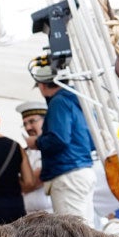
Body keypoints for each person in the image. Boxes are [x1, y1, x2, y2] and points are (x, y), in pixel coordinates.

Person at [29, 69, 96, 222]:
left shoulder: (58, 102)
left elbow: (59, 139)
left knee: (72, 233)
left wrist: (36, 142)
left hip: (67, 175)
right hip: (84, 171)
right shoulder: (79, 101)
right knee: (86, 231)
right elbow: (92, 142)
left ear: (42, 85)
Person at [16, 101, 51, 215]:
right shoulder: (23, 152)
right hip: (28, 216)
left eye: (32, 121)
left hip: (51, 214)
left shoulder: (52, 149)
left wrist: (24, 182)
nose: (28, 127)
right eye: (25, 124)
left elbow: (33, 182)